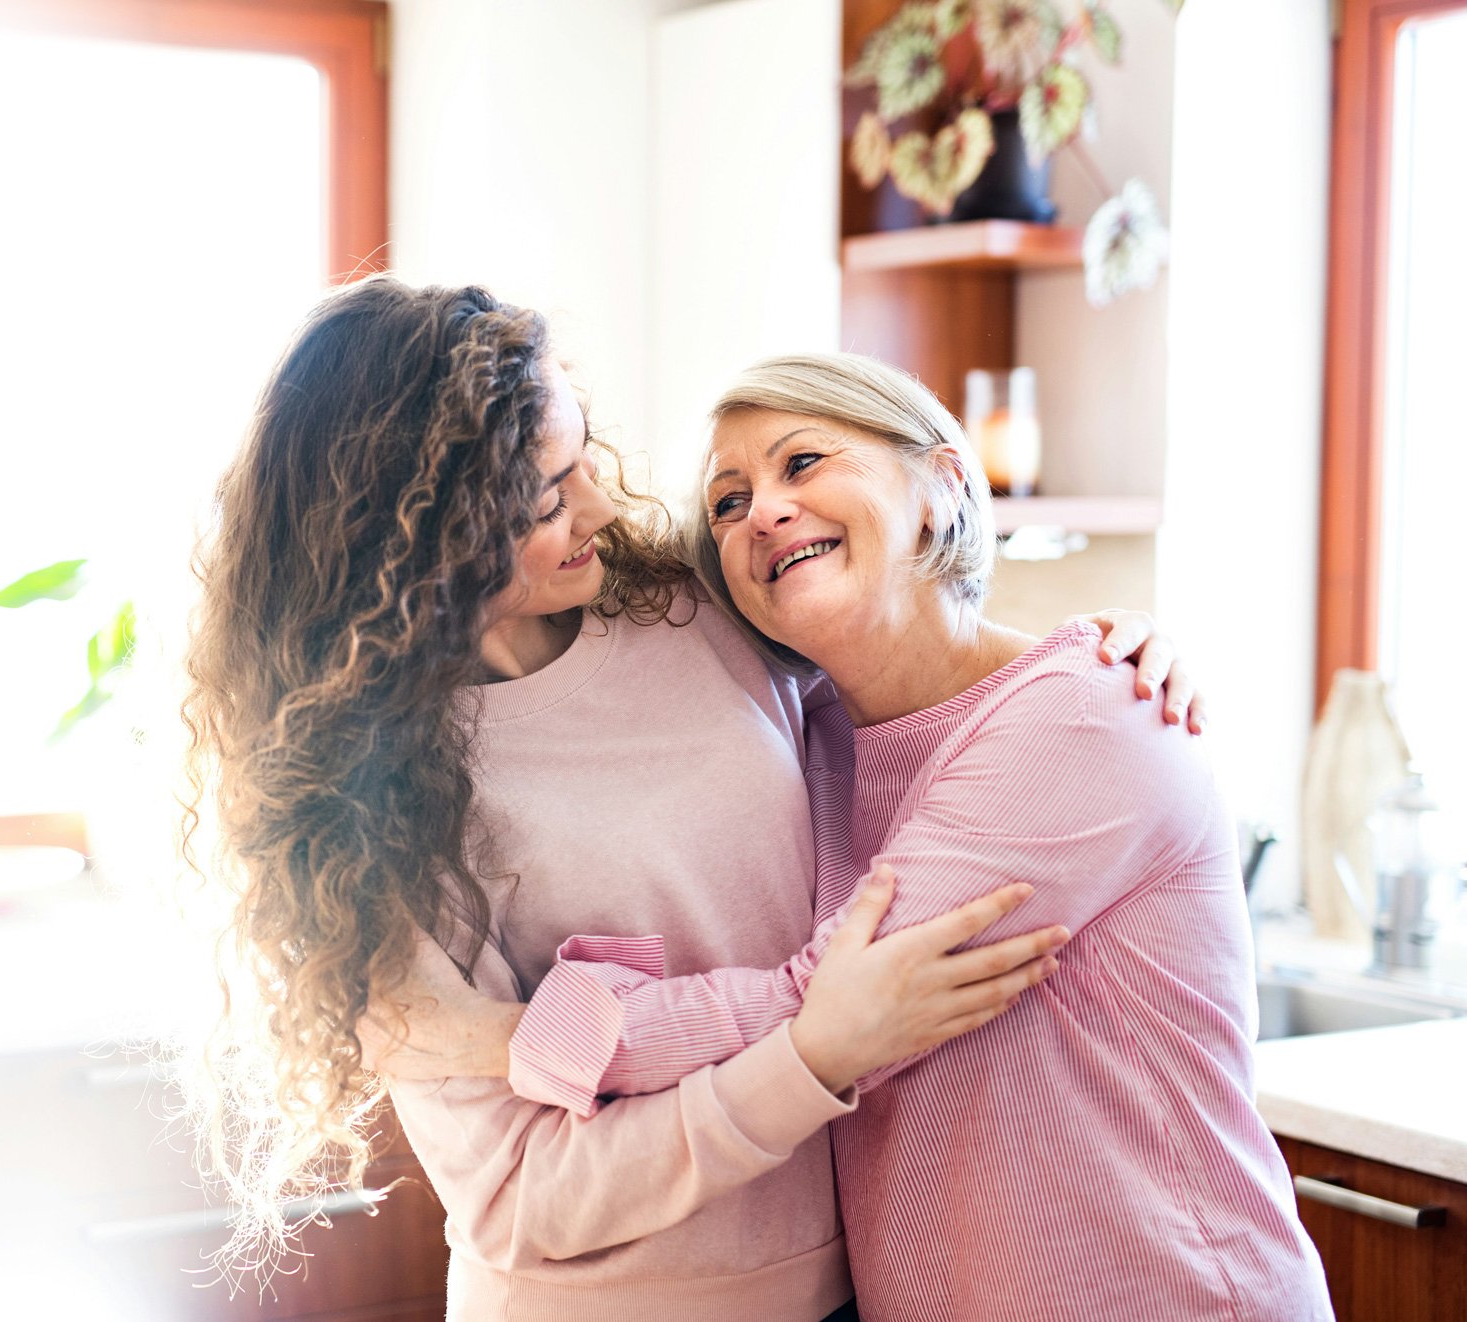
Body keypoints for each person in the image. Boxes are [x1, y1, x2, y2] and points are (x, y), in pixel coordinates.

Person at [181, 278, 1199, 1320]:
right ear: (424, 548)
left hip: (846, 1289)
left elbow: (893, 660)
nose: (603, 508)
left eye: (579, 457)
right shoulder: (363, 810)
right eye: (543, 503)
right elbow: (516, 1200)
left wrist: (1094, 649)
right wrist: (811, 1051)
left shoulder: (681, 604)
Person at [391, 352, 1330, 1321]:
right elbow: (827, 1018)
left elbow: (834, 1007)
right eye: (725, 502)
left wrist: (494, 1035)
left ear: (942, 486)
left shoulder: (1086, 713)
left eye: (802, 462)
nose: (760, 510)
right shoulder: (818, 742)